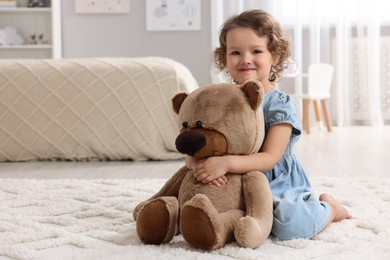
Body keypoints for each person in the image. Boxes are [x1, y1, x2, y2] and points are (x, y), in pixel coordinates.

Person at [185, 9, 352, 241]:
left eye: (256, 51)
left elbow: (271, 157)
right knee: (194, 197)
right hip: (231, 177)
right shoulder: (222, 101)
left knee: (289, 225)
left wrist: (225, 163)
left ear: (274, 55)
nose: (245, 59)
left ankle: (330, 209)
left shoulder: (280, 104)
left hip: (275, 180)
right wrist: (198, 165)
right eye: (235, 52)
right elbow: (201, 139)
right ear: (224, 58)